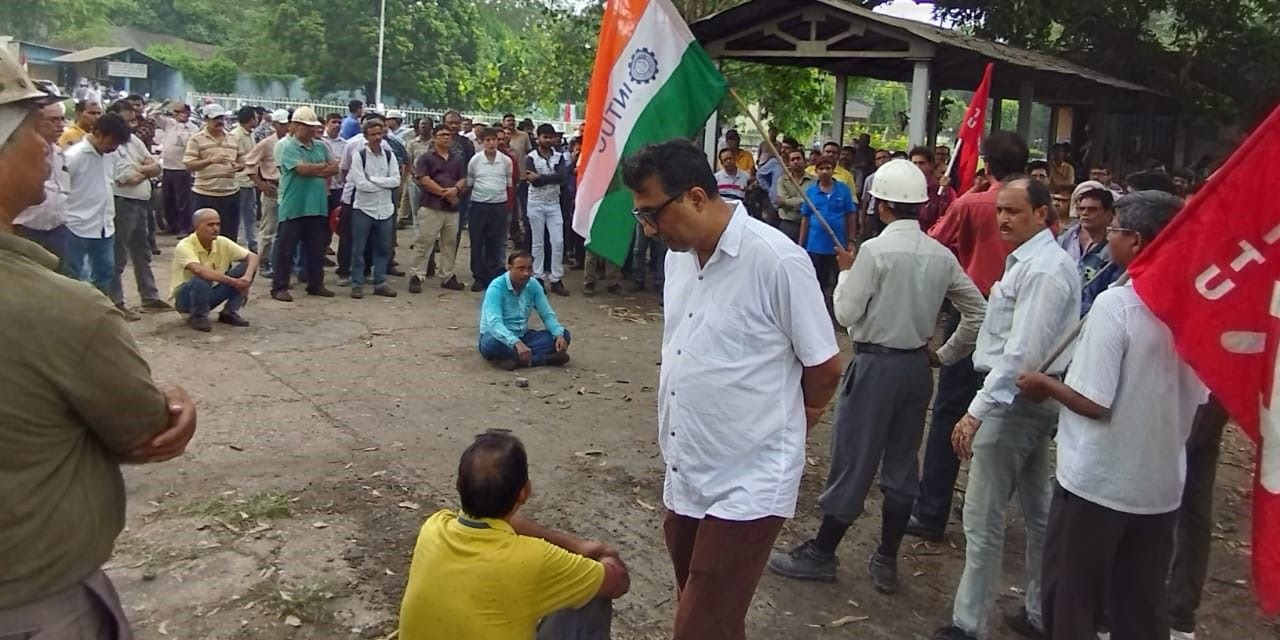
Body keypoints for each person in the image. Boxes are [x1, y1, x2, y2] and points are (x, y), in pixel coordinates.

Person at [0, 50, 198, 636]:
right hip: (32, 600)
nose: (50, 148)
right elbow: (144, 430)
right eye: (39, 132)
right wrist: (176, 406)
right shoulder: (58, 310)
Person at [621, 139, 843, 640]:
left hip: (750, 479)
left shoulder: (776, 260)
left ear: (696, 197)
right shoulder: (679, 257)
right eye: (642, 218)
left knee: (697, 625)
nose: (650, 230)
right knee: (711, 615)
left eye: (653, 214)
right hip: (688, 467)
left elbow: (825, 367)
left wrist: (794, 424)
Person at [767, 159, 986, 594]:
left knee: (853, 458)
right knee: (903, 463)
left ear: (881, 205)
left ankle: (823, 553)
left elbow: (846, 313)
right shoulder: (940, 255)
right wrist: (943, 355)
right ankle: (886, 558)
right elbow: (977, 312)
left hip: (874, 366)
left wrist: (847, 272)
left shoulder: (874, 252)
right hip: (915, 369)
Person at [1016, 191, 1206, 640]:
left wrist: (1044, 385)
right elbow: (1199, 404)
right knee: (1139, 602)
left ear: (1137, 240)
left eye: (1115, 229)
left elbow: (1094, 400)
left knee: (1072, 599)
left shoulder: (1116, 305)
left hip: (1097, 483)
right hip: (1159, 486)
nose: (1108, 239)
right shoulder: (1195, 308)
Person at [933, 178, 1081, 640]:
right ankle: (1039, 610)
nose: (1003, 219)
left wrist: (977, 410)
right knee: (1038, 512)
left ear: (1042, 214)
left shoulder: (1043, 270)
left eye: (1014, 211)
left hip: (1013, 400)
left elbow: (1021, 352)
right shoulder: (1032, 264)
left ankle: (968, 623)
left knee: (983, 517)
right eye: (1000, 210)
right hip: (1023, 399)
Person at [908, 132, 1030, 544]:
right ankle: (986, 504)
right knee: (1005, 411)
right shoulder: (1036, 210)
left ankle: (931, 511)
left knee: (949, 410)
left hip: (975, 307)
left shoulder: (973, 203)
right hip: (1024, 315)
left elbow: (934, 242)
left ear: (985, 163)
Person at [398, 430, 629, 640]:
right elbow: (617, 582)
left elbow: (498, 523)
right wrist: (600, 554)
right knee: (590, 594)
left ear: (458, 485)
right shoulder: (534, 558)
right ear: (524, 492)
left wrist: (576, 545)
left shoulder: (434, 526)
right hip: (552, 568)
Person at [270, 106, 337, 302]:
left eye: (313, 126)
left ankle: (315, 284)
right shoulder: (288, 146)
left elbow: (335, 168)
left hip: (317, 206)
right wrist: (321, 168)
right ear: (296, 126)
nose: (311, 130)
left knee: (317, 248)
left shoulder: (321, 146)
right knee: (285, 249)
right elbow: (301, 169)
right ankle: (279, 287)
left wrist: (316, 169)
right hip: (294, 206)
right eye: (307, 126)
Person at [64, 112, 133, 301]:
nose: (114, 147)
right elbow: (61, 191)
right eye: (112, 142)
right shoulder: (74, 157)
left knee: (105, 273)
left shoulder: (110, 156)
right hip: (75, 225)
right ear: (98, 133)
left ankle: (97, 310)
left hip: (104, 226)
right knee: (74, 276)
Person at [109, 102, 169, 315]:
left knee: (142, 252)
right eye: (126, 121)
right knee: (119, 255)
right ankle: (116, 301)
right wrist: (146, 170)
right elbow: (125, 178)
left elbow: (156, 166)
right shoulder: (111, 145)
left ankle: (149, 296)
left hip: (141, 203)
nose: (131, 125)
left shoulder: (133, 141)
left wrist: (140, 170)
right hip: (122, 203)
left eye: (133, 120)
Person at [478, 251, 571, 370]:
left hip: (524, 336)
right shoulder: (496, 287)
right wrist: (515, 343)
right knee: (491, 343)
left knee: (564, 334)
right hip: (498, 337)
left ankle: (513, 359)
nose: (526, 273)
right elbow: (495, 324)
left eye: (529, 269)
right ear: (509, 268)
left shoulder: (533, 285)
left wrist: (558, 334)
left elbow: (547, 314)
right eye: (520, 268)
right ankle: (542, 359)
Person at [171, 208, 258, 331]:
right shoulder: (185, 245)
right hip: (186, 298)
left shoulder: (221, 241)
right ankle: (197, 316)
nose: (215, 228)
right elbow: (199, 271)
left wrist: (246, 278)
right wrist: (234, 282)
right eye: (210, 225)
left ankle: (229, 312)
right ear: (197, 226)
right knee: (203, 276)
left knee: (247, 267)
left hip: (209, 294)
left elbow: (253, 257)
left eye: (218, 224)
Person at [409, 123, 468, 293]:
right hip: (431, 206)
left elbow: (463, 178)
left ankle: (447, 275)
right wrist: (444, 192)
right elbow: (423, 179)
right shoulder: (426, 158)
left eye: (449, 135)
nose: (446, 138)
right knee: (425, 242)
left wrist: (455, 190)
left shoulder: (457, 159)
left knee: (449, 243)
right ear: (434, 138)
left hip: (452, 209)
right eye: (442, 135)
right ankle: (417, 275)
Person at [346, 118, 401, 299]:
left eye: (380, 133)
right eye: (373, 134)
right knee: (359, 249)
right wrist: (383, 183)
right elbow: (360, 184)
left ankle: (380, 282)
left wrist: (375, 180)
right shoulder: (359, 156)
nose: (377, 137)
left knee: (383, 248)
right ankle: (357, 283)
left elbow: (396, 180)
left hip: (385, 209)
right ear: (366, 136)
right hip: (364, 208)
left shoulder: (389, 155)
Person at [14, 102, 71, 271]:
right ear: (36, 121)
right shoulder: (18, 153)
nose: (60, 125)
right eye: (53, 120)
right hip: (26, 229)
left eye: (62, 119)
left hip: (58, 229)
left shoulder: (60, 153)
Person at [183, 103, 245, 242]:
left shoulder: (233, 138)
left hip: (230, 194)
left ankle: (225, 264)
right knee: (204, 237)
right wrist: (210, 161)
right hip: (205, 194)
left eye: (221, 118)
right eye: (215, 118)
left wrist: (239, 166)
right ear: (206, 120)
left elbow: (242, 160)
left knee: (229, 237)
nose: (220, 122)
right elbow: (189, 165)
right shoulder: (196, 139)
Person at [1058, 186, 1122, 315]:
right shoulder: (1065, 238)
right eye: (1082, 209)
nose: (1085, 213)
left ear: (1109, 214)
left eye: (1093, 209)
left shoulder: (1117, 246)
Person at [524, 123, 569, 296]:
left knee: (558, 241)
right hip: (535, 203)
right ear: (538, 138)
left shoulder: (559, 157)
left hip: (553, 203)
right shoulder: (531, 157)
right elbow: (532, 180)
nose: (548, 140)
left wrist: (542, 177)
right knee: (538, 242)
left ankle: (556, 278)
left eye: (550, 137)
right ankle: (538, 277)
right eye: (545, 137)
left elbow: (563, 178)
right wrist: (550, 178)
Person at [799, 155, 856, 291]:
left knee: (839, 281)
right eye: (821, 168)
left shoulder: (843, 189)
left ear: (833, 170)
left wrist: (851, 240)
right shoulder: (811, 191)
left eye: (828, 168)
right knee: (818, 282)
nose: (825, 171)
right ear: (816, 171)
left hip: (837, 245)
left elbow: (850, 215)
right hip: (815, 246)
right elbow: (805, 218)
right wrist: (800, 244)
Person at [467, 126, 514, 291]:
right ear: (482, 142)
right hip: (479, 205)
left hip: (499, 206)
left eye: (494, 139)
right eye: (488, 140)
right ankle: (479, 276)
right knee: (477, 241)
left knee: (495, 242)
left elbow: (509, 184)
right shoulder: (475, 160)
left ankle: (493, 276)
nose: (491, 143)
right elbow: (470, 182)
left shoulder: (506, 161)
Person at [246, 109, 289, 277]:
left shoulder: (291, 143)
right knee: (268, 228)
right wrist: (260, 184)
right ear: (275, 125)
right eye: (282, 124)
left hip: (288, 188)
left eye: (287, 124)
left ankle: (281, 261)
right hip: (272, 186)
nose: (285, 127)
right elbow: (249, 163)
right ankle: (263, 261)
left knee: (285, 228)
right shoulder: (266, 143)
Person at [157, 102, 198, 236]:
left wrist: (181, 126)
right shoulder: (169, 123)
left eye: (180, 112)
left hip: (181, 168)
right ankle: (171, 225)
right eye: (175, 112)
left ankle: (184, 227)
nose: (176, 115)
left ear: (187, 113)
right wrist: (165, 106)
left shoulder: (192, 128)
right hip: (167, 167)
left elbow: (187, 143)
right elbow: (152, 115)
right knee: (168, 200)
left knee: (182, 201)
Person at [231, 106, 260, 252]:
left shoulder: (250, 134)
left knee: (250, 213)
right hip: (240, 180)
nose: (258, 119)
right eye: (256, 116)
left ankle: (252, 241)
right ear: (251, 119)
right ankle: (234, 243)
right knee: (237, 214)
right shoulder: (236, 135)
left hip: (250, 180)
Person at [909, 146, 955, 232]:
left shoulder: (942, 189)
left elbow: (949, 216)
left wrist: (944, 193)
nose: (917, 167)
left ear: (931, 165)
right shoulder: (905, 186)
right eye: (914, 163)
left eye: (921, 163)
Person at [774, 148, 813, 244]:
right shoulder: (782, 180)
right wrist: (804, 201)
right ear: (788, 163)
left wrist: (787, 202)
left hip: (808, 225)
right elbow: (781, 201)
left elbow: (812, 202)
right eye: (792, 159)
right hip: (787, 224)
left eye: (798, 159)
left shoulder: (814, 181)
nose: (796, 162)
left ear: (805, 161)